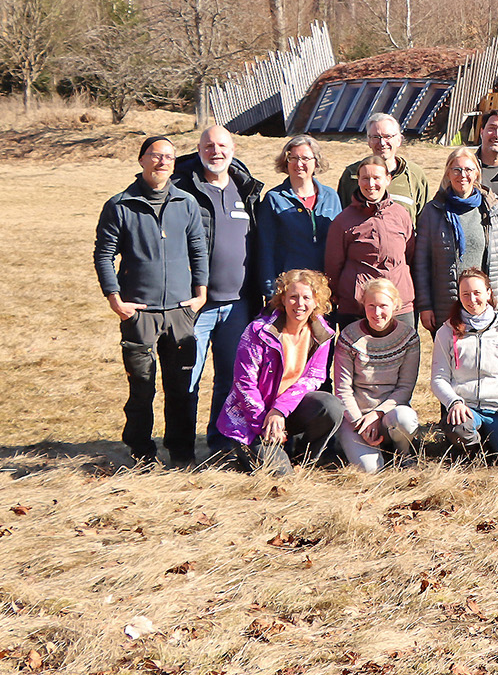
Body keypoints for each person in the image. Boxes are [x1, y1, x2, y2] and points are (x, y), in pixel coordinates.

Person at [94, 135, 208, 467]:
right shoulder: (120, 205)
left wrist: (200, 294)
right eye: (156, 156)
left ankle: (182, 452)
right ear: (142, 160)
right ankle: (142, 451)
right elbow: (104, 255)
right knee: (142, 388)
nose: (162, 162)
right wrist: (116, 300)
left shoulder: (186, 203)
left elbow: (198, 250)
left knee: (181, 388)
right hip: (138, 311)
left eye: (169, 158)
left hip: (180, 312)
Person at [173, 124, 265, 460]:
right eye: (209, 146)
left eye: (222, 145)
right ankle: (181, 449)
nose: (216, 152)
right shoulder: (182, 188)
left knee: (230, 380)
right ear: (198, 150)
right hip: (194, 305)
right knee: (187, 379)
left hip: (239, 304)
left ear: (233, 148)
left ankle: (220, 443)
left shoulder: (246, 189)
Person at [217, 268, 341, 474]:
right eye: (293, 297)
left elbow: (314, 377)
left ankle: (302, 461)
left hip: (284, 412)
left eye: (306, 298)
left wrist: (279, 411)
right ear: (282, 300)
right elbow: (244, 383)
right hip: (251, 420)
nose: (299, 304)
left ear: (316, 301)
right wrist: (266, 424)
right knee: (281, 476)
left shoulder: (322, 334)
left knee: (331, 406)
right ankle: (246, 455)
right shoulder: (257, 331)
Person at [431, 266, 498, 469]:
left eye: (477, 293)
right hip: (467, 411)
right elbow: (438, 378)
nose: (472, 300)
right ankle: (474, 453)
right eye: (465, 294)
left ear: (488, 293)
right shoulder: (446, 331)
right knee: (458, 427)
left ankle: (495, 448)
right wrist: (454, 403)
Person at [414, 146, 498, 333]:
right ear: (448, 173)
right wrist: (425, 306)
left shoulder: (492, 210)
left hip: (486, 305)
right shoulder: (433, 211)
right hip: (446, 306)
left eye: (468, 169)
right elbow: (421, 263)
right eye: (457, 169)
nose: (463, 175)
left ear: (477, 173)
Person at [332, 277, 422, 473]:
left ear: (395, 305)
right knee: (370, 470)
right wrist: (359, 423)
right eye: (371, 306)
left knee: (405, 419)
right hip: (357, 418)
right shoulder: (349, 337)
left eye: (383, 306)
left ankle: (403, 453)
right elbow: (342, 389)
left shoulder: (408, 337)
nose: (377, 313)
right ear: (363, 305)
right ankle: (362, 446)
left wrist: (377, 413)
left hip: (390, 413)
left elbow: (404, 389)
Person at [322, 157, 416, 327]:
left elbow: (410, 255)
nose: (371, 184)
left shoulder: (401, 214)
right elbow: (333, 266)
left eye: (376, 178)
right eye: (365, 178)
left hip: (398, 305)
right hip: (357, 308)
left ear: (388, 179)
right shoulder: (343, 221)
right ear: (358, 181)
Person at [255, 135, 339, 305]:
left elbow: (340, 245)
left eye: (305, 158)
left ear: (316, 161)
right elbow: (265, 248)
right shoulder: (274, 199)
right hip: (289, 292)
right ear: (286, 162)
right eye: (293, 158)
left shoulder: (331, 197)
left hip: (322, 291)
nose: (299, 164)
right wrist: (270, 291)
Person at [336, 112, 430, 213]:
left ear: (399, 140)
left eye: (387, 136)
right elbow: (341, 216)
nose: (382, 143)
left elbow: (426, 221)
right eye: (376, 137)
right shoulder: (352, 174)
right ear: (368, 141)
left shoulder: (415, 175)